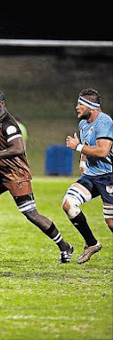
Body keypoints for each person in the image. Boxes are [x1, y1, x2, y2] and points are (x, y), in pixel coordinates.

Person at [0, 90, 73, 263]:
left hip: (16, 176)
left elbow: (18, 148)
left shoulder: (9, 124)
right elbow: (1, 142)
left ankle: (65, 246)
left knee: (32, 214)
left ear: (2, 104)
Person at [63, 88, 113, 264]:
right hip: (91, 176)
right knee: (69, 204)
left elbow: (103, 150)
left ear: (91, 106)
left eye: (80, 104)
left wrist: (77, 147)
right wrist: (83, 163)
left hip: (109, 176)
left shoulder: (104, 121)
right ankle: (91, 244)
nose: (76, 107)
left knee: (111, 223)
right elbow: (85, 146)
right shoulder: (83, 124)